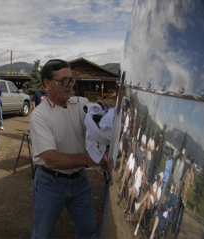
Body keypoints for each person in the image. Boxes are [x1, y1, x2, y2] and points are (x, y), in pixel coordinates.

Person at [29, 59, 112, 238]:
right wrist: (92, 159)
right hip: (50, 182)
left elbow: (101, 109)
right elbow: (50, 158)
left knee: (89, 232)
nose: (69, 85)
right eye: (63, 81)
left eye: (71, 80)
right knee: (41, 234)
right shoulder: (40, 115)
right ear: (46, 83)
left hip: (79, 181)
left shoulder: (80, 103)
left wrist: (111, 105)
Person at [133, 172, 163, 237]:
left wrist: (156, 189)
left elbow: (155, 200)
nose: (158, 180)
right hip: (148, 202)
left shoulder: (160, 190)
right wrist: (153, 193)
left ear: (161, 181)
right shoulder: (155, 183)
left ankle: (138, 205)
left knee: (148, 193)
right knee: (145, 203)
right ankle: (137, 227)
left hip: (151, 206)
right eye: (158, 178)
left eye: (160, 179)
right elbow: (151, 191)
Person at [173, 156, 195, 239]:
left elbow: (190, 187)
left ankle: (177, 231)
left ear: (193, 164)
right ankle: (174, 227)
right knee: (177, 212)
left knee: (181, 215)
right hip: (181, 194)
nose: (190, 164)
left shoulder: (192, 174)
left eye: (191, 163)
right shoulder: (187, 171)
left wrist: (186, 198)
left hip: (185, 197)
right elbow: (183, 182)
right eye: (190, 162)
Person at [125, 157, 145, 221]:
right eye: (141, 162)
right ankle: (127, 205)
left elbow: (142, 185)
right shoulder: (138, 169)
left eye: (143, 162)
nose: (141, 163)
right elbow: (134, 177)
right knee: (130, 190)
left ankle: (129, 211)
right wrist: (132, 180)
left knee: (133, 191)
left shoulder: (143, 174)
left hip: (137, 191)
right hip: (134, 186)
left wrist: (143, 170)